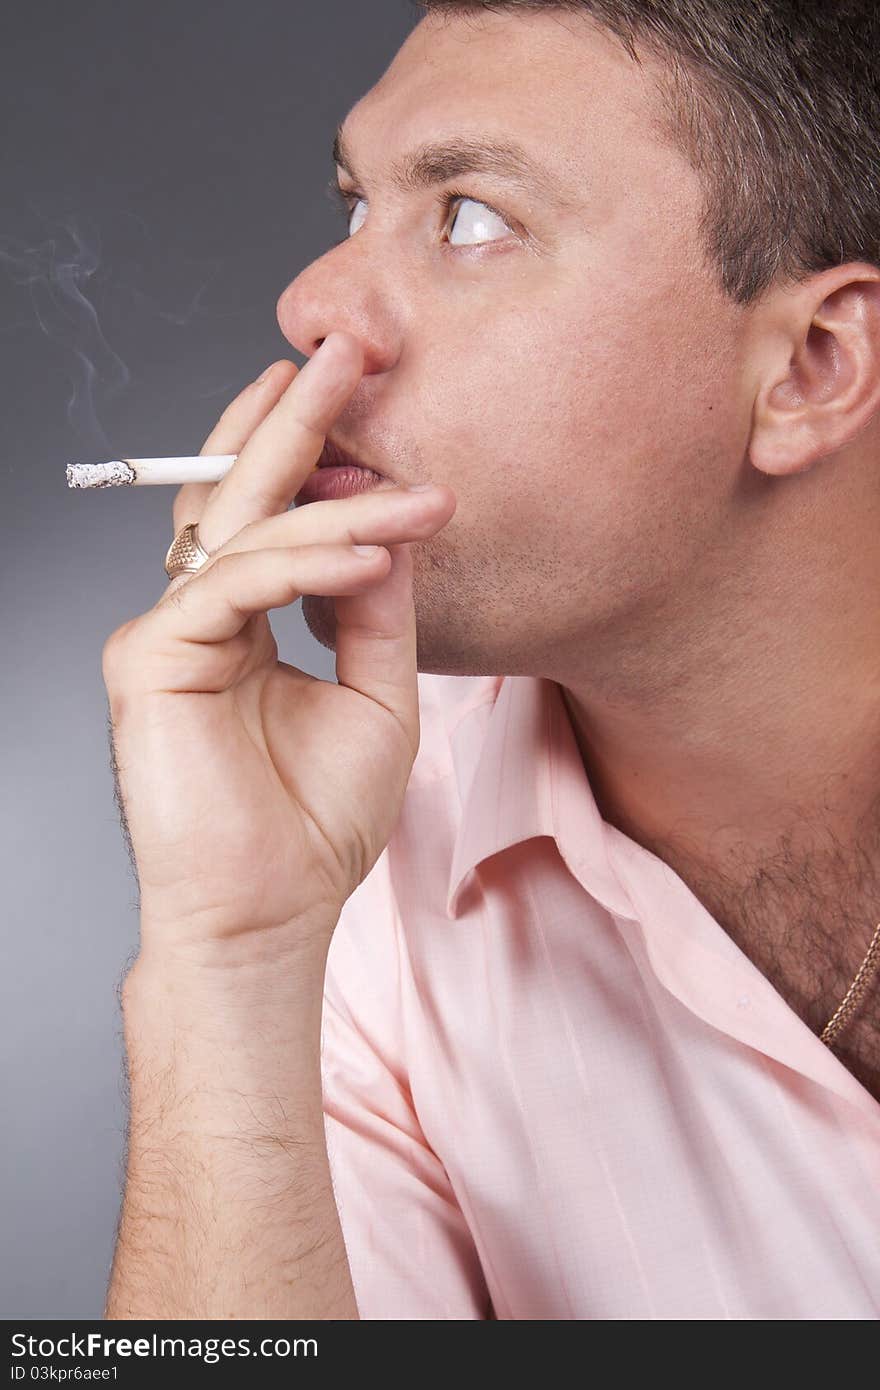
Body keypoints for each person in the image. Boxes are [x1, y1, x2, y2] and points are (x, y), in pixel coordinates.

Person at [102, 0, 880, 1320]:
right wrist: (226, 956)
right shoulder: (349, 874)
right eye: (356, 208)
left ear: (808, 366)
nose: (312, 301)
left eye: (469, 215)